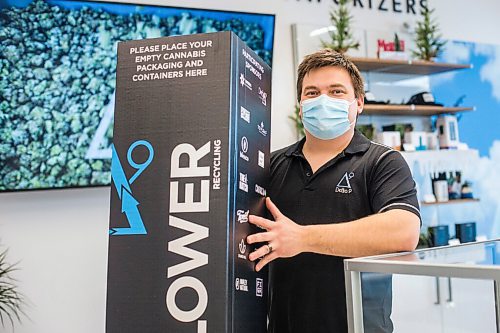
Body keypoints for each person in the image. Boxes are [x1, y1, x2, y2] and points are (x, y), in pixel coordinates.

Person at [246, 49, 421, 332]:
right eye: (312, 92)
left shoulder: (381, 162)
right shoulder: (270, 165)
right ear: (300, 105)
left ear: (359, 103)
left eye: (336, 91)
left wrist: (302, 238)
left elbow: (404, 232)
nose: (323, 100)